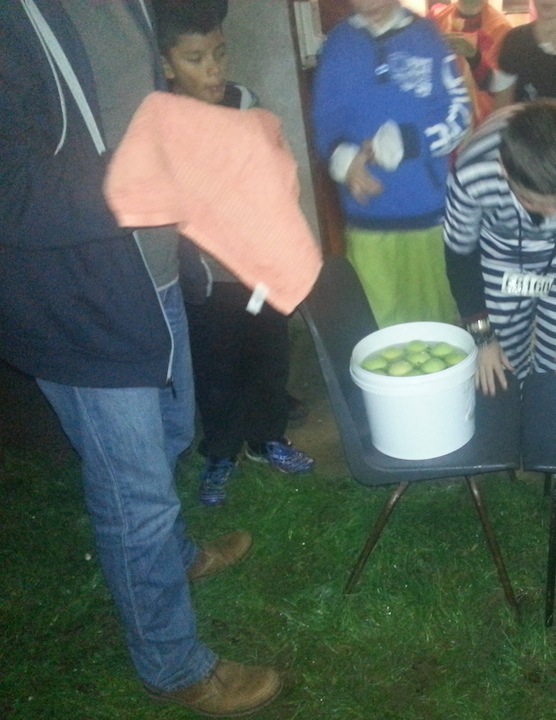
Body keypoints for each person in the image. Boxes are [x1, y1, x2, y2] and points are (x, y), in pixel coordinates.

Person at [0, 0, 281, 715]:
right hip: (83, 302)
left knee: (170, 440)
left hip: (151, 278)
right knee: (136, 496)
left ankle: (176, 555)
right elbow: (11, 193)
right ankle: (171, 664)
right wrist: (158, 168)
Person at [155, 0, 316, 508]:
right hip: (206, 280)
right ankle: (221, 451)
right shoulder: (160, 119)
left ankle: (267, 439)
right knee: (216, 371)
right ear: (167, 66)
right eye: (195, 59)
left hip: (260, 269)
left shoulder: (245, 102)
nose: (214, 70)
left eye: (220, 54)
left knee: (269, 356)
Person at [443, 100, 556, 396]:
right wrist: (483, 336)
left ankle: (545, 407)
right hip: (501, 246)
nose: (550, 214)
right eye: (533, 202)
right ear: (504, 170)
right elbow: (459, 255)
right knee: (498, 361)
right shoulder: (472, 173)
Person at [311, 0, 472, 328]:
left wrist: (410, 141)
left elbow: (459, 112)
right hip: (366, 221)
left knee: (436, 322)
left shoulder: (428, 37)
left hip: (429, 218)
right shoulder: (337, 45)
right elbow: (325, 120)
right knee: (377, 327)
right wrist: (344, 160)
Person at [427, 0, 513, 126]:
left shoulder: (502, 30)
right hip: (441, 120)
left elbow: (501, 90)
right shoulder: (436, 19)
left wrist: (474, 56)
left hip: (482, 124)